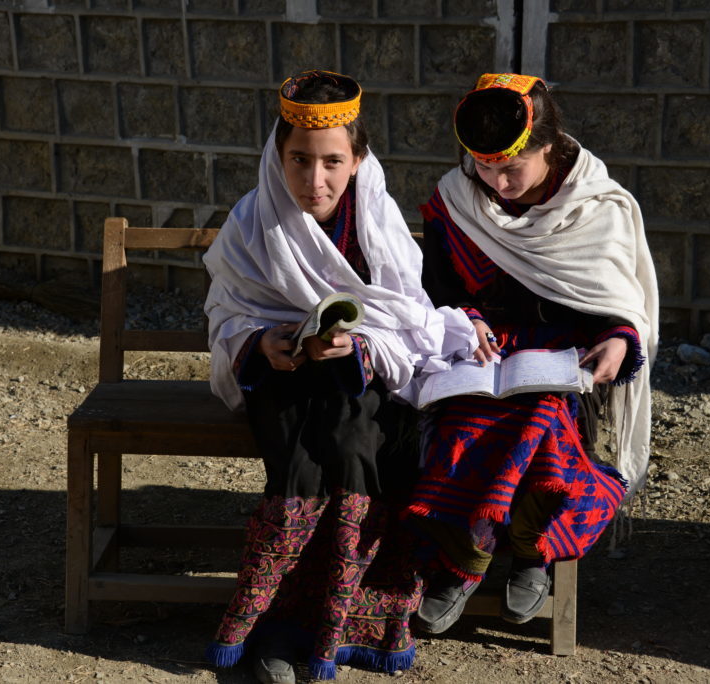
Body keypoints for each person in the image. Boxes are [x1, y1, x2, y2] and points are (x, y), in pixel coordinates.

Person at [202, 70, 476, 683]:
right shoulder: (251, 222)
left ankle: (341, 624)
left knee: (354, 441)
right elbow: (226, 312)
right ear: (277, 156)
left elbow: (409, 321)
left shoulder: (377, 223)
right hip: (281, 380)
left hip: (360, 384)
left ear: (356, 160)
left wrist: (361, 345)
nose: (314, 180)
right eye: (299, 160)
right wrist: (260, 341)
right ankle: (276, 630)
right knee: (299, 454)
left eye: (331, 162)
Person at [407, 73, 659, 634]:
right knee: (462, 421)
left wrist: (619, 337)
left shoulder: (595, 206)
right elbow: (436, 286)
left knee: (541, 418)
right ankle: (470, 560)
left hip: (564, 355)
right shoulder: (455, 200)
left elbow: (617, 298)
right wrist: (465, 317)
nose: (496, 183)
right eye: (483, 166)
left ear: (549, 147)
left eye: (512, 168)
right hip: (476, 351)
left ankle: (528, 551)